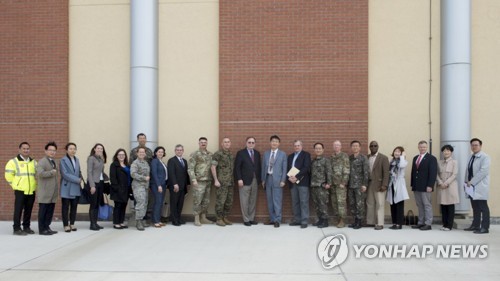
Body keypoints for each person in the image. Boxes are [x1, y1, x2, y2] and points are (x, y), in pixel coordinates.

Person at [5, 142, 37, 236]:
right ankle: (17, 228)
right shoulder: (13, 162)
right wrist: (15, 185)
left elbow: (37, 174)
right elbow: (8, 175)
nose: (26, 150)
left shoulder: (33, 162)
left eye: (27, 148)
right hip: (20, 190)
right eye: (24, 148)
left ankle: (26, 227)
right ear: (19, 150)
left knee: (28, 209)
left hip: (31, 190)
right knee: (18, 210)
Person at [464, 138, 490, 234]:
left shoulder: (485, 157)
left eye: (476, 145)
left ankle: (485, 227)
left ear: (480, 146)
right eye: (472, 145)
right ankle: (475, 225)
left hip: (479, 186)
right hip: (471, 186)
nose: (474, 147)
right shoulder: (471, 156)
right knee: (475, 207)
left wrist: (472, 182)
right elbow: (468, 171)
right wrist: (466, 183)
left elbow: (483, 172)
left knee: (483, 207)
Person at [410, 140, 437, 231]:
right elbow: (413, 172)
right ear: (418, 147)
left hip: (426, 186)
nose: (422, 148)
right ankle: (420, 222)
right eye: (421, 147)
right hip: (417, 186)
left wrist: (430, 185)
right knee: (419, 204)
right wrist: (412, 184)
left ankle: (428, 223)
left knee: (427, 204)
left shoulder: (431, 158)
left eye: (424, 147)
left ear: (427, 147)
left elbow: (433, 173)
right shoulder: (415, 158)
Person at [234, 137, 261, 226]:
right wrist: (239, 179)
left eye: (253, 142)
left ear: (255, 144)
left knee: (253, 200)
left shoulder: (257, 153)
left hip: (255, 180)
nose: (251, 144)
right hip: (244, 181)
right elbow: (237, 167)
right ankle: (246, 219)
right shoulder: (241, 153)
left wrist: (259, 180)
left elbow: (258, 167)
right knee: (244, 201)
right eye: (249, 142)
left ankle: (251, 218)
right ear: (246, 143)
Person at [261, 135, 287, 228]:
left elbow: (284, 169)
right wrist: (263, 179)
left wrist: (283, 180)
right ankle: (272, 219)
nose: (274, 143)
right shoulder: (266, 153)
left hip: (278, 180)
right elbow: (263, 167)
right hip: (268, 179)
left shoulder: (282, 154)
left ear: (279, 143)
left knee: (277, 200)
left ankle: (277, 220)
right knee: (270, 200)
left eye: (276, 141)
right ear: (270, 142)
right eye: (273, 141)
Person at [188, 137, 213, 226]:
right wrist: (193, 180)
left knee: (206, 200)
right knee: (197, 200)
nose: (203, 144)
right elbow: (190, 168)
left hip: (208, 180)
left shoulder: (210, 154)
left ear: (207, 143)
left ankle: (203, 217)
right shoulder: (195, 154)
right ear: (198, 143)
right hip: (199, 181)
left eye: (205, 142)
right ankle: (196, 218)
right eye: (201, 142)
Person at [36, 142, 59, 235]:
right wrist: (51, 172)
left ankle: (47, 227)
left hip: (52, 192)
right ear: (45, 151)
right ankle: (42, 229)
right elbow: (40, 174)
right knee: (43, 211)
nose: (52, 152)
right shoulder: (42, 161)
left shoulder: (54, 161)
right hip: (45, 192)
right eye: (50, 150)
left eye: (54, 150)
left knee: (50, 211)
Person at [287, 140, 311, 229]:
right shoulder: (290, 156)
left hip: (302, 182)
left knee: (303, 202)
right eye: (295, 146)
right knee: (295, 202)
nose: (297, 147)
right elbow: (288, 168)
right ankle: (297, 220)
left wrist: (296, 176)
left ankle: (304, 221)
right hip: (292, 182)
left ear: (301, 146)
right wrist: (289, 177)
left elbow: (306, 167)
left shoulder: (306, 155)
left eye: (298, 145)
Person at [211, 137, 235, 226]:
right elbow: (213, 167)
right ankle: (219, 218)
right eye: (225, 142)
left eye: (228, 142)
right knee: (220, 201)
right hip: (221, 183)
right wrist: (216, 180)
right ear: (222, 144)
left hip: (230, 182)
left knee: (229, 201)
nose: (227, 143)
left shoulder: (231, 154)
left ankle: (225, 217)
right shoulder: (218, 154)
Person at [366, 141, 390, 230]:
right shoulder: (367, 157)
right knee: (370, 203)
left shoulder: (383, 158)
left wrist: (384, 185)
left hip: (380, 185)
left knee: (380, 204)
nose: (373, 147)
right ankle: (370, 222)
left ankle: (380, 223)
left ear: (378, 147)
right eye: (371, 146)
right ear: (369, 147)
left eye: (375, 145)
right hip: (369, 184)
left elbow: (386, 173)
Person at [59, 142, 82, 233]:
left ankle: (72, 223)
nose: (73, 150)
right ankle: (65, 225)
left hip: (75, 186)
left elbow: (78, 171)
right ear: (67, 150)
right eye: (71, 149)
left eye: (74, 149)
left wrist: (80, 178)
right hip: (67, 186)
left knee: (74, 206)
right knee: (65, 207)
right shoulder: (63, 160)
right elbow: (65, 174)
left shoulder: (77, 159)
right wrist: (77, 179)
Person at [436, 144, 459, 231]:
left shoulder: (454, 162)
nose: (446, 152)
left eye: (448, 150)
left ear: (451, 152)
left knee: (450, 206)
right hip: (441, 186)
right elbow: (437, 174)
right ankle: (444, 224)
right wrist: (440, 182)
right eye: (445, 150)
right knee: (443, 206)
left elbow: (454, 174)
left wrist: (446, 183)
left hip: (450, 186)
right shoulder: (440, 162)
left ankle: (449, 225)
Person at [87, 143, 109, 231]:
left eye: (101, 149)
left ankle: (95, 222)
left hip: (100, 183)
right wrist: (92, 185)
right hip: (94, 183)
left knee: (97, 204)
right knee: (93, 204)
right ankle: (92, 224)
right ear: (95, 149)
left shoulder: (101, 159)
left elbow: (101, 172)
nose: (100, 150)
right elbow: (89, 172)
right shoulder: (91, 158)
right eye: (98, 148)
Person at [310, 142, 333, 228]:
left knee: (323, 204)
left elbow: (329, 172)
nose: (318, 150)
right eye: (316, 148)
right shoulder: (313, 161)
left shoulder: (326, 160)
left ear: (323, 150)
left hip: (322, 186)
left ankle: (325, 221)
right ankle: (320, 220)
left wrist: (329, 183)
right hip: (314, 186)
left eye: (319, 148)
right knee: (317, 205)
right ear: (314, 150)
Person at [347, 140, 369, 229]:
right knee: (352, 204)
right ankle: (355, 221)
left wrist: (365, 184)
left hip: (359, 185)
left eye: (356, 146)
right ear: (351, 148)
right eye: (353, 146)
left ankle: (359, 222)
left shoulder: (363, 158)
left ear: (360, 148)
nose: (355, 147)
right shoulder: (350, 158)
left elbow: (366, 172)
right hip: (351, 185)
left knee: (359, 204)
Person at [386, 146, 409, 230]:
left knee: (399, 205)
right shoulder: (391, 162)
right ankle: (394, 222)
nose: (396, 153)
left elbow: (401, 165)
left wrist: (403, 156)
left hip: (399, 184)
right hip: (392, 184)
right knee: (393, 204)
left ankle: (399, 224)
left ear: (402, 153)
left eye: (399, 152)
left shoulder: (403, 161)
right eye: (395, 151)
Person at [167, 144, 190, 226]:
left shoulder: (184, 161)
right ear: (175, 151)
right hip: (175, 187)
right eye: (177, 150)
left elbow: (186, 174)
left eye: (180, 150)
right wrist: (174, 184)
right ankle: (174, 220)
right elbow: (171, 173)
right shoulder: (171, 160)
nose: (179, 151)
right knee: (174, 203)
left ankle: (179, 218)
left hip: (183, 186)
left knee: (180, 203)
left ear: (183, 151)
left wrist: (188, 184)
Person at [109, 149, 131, 229]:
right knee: (118, 206)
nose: (121, 156)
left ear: (125, 156)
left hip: (127, 189)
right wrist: (117, 188)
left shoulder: (127, 165)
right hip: (118, 189)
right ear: (117, 156)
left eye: (123, 155)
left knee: (123, 206)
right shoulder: (114, 165)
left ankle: (121, 222)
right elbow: (113, 178)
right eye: (119, 155)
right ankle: (116, 223)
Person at [330, 140, 350, 228]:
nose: (336, 147)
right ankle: (338, 219)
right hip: (333, 184)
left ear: (340, 147)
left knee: (341, 202)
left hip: (341, 183)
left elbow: (346, 169)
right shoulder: (331, 157)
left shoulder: (344, 156)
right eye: (335, 145)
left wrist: (344, 182)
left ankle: (342, 220)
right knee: (334, 202)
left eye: (338, 145)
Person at [131, 147, 151, 231]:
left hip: (145, 187)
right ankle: (138, 222)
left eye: (143, 152)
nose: (142, 153)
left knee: (145, 203)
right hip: (138, 186)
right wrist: (143, 178)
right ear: (137, 153)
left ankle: (142, 220)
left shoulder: (145, 163)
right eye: (140, 152)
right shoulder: (135, 163)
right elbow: (133, 174)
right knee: (140, 203)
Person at [150, 146, 168, 228]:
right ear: (156, 153)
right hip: (157, 185)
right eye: (159, 152)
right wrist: (158, 185)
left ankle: (158, 219)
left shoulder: (161, 162)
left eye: (162, 152)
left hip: (163, 185)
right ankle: (155, 221)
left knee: (160, 202)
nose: (161, 153)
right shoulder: (154, 161)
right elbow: (154, 174)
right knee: (158, 202)